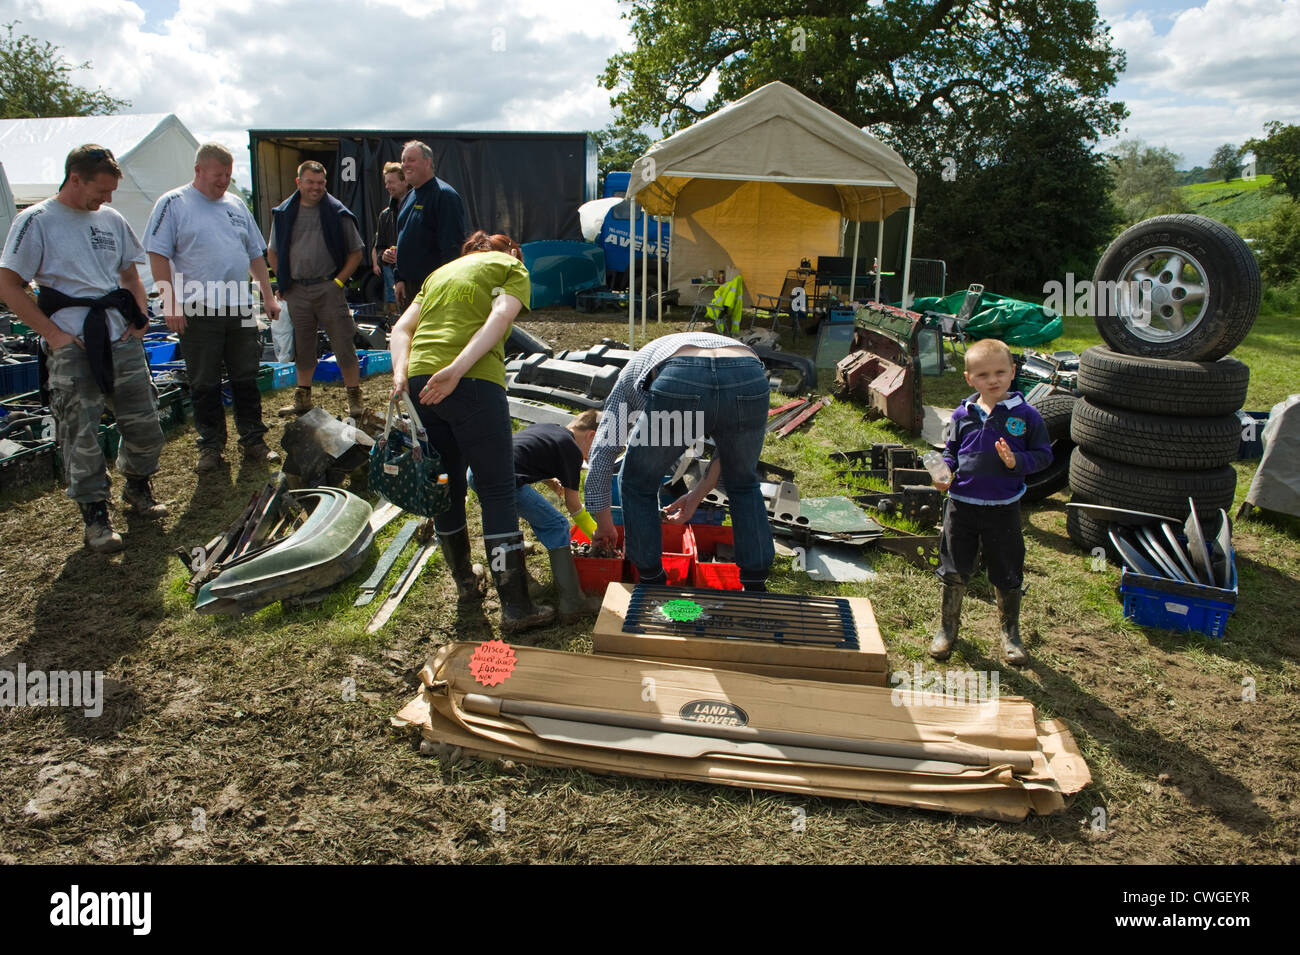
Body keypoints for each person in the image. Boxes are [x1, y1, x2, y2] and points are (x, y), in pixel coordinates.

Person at [0, 144, 166, 553]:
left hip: (118, 337)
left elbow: (130, 274)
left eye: (112, 192)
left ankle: (138, 488)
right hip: (72, 343)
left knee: (145, 424)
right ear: (75, 178)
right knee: (81, 434)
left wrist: (140, 320)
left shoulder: (110, 218)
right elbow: (8, 284)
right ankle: (95, 516)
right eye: (101, 190)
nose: (107, 199)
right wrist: (52, 335)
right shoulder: (35, 220)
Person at [388, 230, 553, 633]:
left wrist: (399, 376)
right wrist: (458, 370)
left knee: (446, 483)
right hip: (472, 381)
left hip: (422, 381)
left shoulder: (439, 274)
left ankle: (466, 583)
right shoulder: (511, 265)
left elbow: (400, 330)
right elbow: (501, 318)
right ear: (510, 251)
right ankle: (516, 608)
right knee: (496, 490)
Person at [585, 332, 775, 591]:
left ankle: (651, 581)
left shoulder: (629, 378)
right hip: (748, 372)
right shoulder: (646, 369)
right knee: (743, 483)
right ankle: (755, 584)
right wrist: (696, 494)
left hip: (682, 376)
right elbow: (730, 456)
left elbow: (604, 449)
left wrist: (604, 524)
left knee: (638, 483)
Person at [145, 142, 281, 472]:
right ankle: (211, 447)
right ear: (199, 171)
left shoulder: (235, 205)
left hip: (239, 306)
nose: (224, 182)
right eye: (218, 176)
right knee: (204, 381)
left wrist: (267, 295)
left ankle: (253, 441)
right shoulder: (173, 204)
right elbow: (157, 254)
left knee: (246, 376)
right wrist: (170, 302)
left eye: (228, 176)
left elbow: (254, 254)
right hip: (197, 307)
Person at [928, 338, 1053, 667]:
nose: (993, 380)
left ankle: (1010, 633)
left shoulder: (1026, 416)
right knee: (954, 567)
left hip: (1003, 507)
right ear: (970, 379)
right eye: (983, 375)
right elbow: (951, 452)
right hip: (961, 505)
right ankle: (947, 629)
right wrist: (945, 472)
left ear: (1013, 372)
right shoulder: (962, 413)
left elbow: (1043, 456)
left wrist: (1016, 462)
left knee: (1007, 568)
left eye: (1000, 372)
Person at [469, 411, 603, 621]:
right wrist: (596, 533)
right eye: (597, 450)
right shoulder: (572, 450)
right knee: (557, 524)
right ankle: (573, 603)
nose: (591, 456)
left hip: (478, 471)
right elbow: (573, 505)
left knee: (506, 524)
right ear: (592, 436)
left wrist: (549, 479)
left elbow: (525, 453)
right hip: (503, 479)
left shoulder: (550, 428)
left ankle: (523, 584)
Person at [267, 161, 365, 419]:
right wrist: (285, 281)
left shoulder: (336, 212)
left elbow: (356, 252)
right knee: (303, 345)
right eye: (310, 182)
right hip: (297, 289)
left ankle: (354, 398)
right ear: (298, 182)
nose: (316, 188)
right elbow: (272, 253)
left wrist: (339, 283)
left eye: (321, 183)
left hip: (328, 287)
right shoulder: (285, 213)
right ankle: (302, 398)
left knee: (343, 342)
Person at [392, 140, 469, 309]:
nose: (405, 165)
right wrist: (399, 279)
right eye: (403, 160)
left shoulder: (444, 195)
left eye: (411, 160)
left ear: (427, 162)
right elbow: (401, 238)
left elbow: (452, 247)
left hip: (433, 288)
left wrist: (445, 286)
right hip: (408, 290)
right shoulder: (408, 197)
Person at [371, 161, 408, 317]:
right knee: (397, 316)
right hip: (393, 273)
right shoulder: (385, 215)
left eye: (391, 182)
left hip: (416, 275)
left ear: (405, 181)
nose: (387, 186)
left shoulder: (419, 207)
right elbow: (379, 247)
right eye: (386, 182)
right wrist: (384, 255)